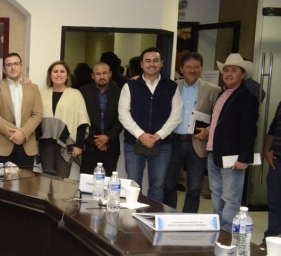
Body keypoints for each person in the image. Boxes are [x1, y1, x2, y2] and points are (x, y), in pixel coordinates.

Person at [119, 47, 182, 202]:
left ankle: (153, 215)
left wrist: (158, 135)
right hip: (134, 143)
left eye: (155, 60)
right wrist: (141, 135)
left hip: (162, 144)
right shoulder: (130, 86)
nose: (151, 64)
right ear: (142, 64)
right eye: (147, 61)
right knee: (133, 185)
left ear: (162, 63)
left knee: (157, 186)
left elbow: (176, 115)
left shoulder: (171, 86)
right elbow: (123, 114)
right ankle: (132, 215)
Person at [206, 53, 259, 233]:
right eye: (226, 70)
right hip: (214, 152)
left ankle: (227, 234)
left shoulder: (247, 98)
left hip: (233, 157)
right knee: (216, 195)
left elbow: (249, 130)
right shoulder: (223, 93)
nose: (228, 74)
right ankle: (218, 230)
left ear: (243, 74)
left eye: (234, 70)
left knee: (231, 199)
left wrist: (245, 158)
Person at [163, 53, 220, 213]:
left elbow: (219, 117)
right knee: (169, 184)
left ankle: (188, 220)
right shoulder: (172, 87)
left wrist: (208, 130)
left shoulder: (213, 90)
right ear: (181, 69)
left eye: (196, 67)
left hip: (197, 143)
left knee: (194, 188)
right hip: (174, 141)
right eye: (188, 67)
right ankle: (169, 217)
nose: (192, 70)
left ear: (201, 68)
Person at [0, 53, 43, 170]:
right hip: (2, 145)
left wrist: (23, 133)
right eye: (9, 65)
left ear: (21, 67)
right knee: (3, 181)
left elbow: (37, 114)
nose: (13, 67)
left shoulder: (33, 88)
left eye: (16, 64)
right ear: (4, 69)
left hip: (27, 144)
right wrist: (14, 133)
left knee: (26, 181)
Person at [38, 61, 89, 178]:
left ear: (67, 75)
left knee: (62, 180)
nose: (58, 74)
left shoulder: (76, 94)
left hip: (66, 145)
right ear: (50, 75)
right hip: (45, 143)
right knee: (46, 179)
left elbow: (81, 121)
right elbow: (35, 117)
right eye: (55, 71)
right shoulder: (42, 93)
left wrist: (79, 145)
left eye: (62, 71)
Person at [80, 62, 123, 174]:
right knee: (87, 181)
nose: (102, 76)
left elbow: (122, 118)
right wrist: (98, 140)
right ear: (92, 76)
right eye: (98, 74)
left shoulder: (120, 92)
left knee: (108, 182)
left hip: (111, 147)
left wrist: (108, 137)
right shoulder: (83, 92)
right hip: (89, 146)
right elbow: (81, 117)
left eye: (105, 73)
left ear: (110, 74)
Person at [263, 100, 281, 246]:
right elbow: (273, 128)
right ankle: (271, 240)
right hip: (277, 161)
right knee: (274, 202)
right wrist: (267, 150)